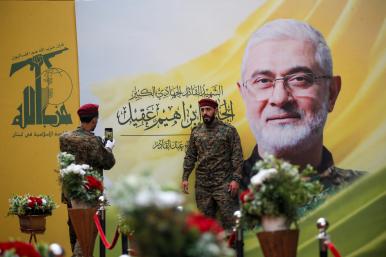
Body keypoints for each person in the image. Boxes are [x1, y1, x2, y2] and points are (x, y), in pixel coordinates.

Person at [238, 19, 363, 191]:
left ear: (331, 93)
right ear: (243, 94)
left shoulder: (372, 194)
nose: (280, 98)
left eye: (299, 79)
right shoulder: (212, 203)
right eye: (263, 81)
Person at [59, 103, 115, 257]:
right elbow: (108, 162)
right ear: (94, 120)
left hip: (71, 194)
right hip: (88, 195)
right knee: (86, 236)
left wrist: (99, 145)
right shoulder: (93, 141)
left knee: (75, 232)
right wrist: (108, 147)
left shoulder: (65, 138)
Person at [182, 98, 243, 230]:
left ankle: (234, 250)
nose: (205, 113)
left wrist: (236, 179)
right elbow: (190, 156)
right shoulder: (196, 132)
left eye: (208, 109)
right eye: (202, 110)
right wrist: (185, 177)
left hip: (224, 184)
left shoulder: (228, 131)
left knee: (231, 223)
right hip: (203, 187)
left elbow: (237, 156)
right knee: (205, 225)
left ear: (215, 110)